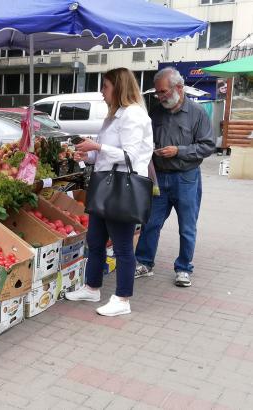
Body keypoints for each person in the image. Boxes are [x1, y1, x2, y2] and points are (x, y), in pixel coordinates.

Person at [64, 68, 153, 316]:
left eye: (105, 86)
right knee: (95, 240)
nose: (102, 92)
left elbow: (130, 156)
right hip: (105, 185)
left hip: (122, 188)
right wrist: (87, 154)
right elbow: (103, 156)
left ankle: (123, 299)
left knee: (123, 246)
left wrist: (98, 146)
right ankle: (92, 287)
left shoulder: (133, 115)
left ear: (119, 87)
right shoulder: (113, 116)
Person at [134, 67, 215, 288]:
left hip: (186, 178)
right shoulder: (156, 112)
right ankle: (144, 262)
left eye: (163, 92)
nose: (160, 97)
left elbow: (208, 146)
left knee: (187, 226)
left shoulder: (197, 113)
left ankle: (184, 268)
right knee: (151, 222)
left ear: (179, 87)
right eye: (158, 93)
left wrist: (178, 151)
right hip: (159, 177)